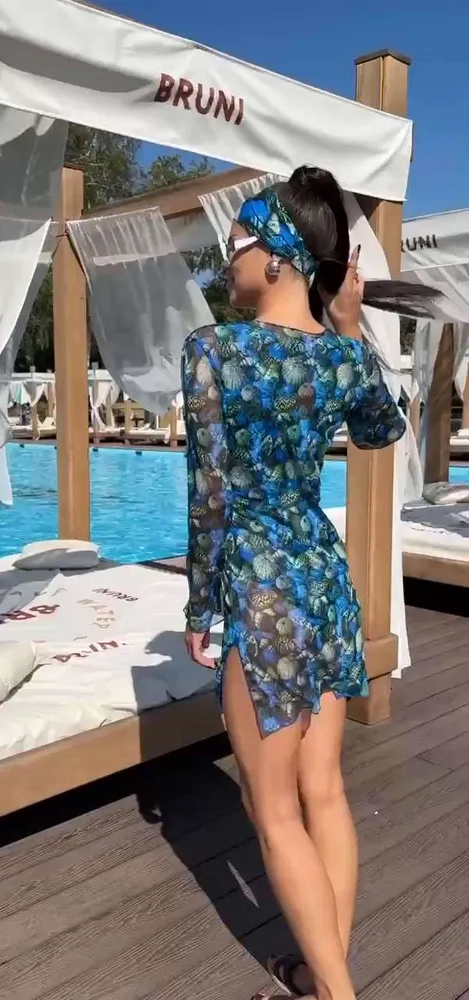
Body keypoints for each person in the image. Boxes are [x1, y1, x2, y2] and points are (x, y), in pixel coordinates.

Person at [181, 167, 438, 1000]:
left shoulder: (214, 350)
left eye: (236, 243)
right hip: (323, 580)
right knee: (323, 792)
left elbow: (209, 494)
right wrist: (350, 328)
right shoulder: (337, 357)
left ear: (276, 257)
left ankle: (337, 994)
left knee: (272, 809)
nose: (226, 259)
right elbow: (382, 431)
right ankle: (321, 975)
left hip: (260, 590)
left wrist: (200, 605)